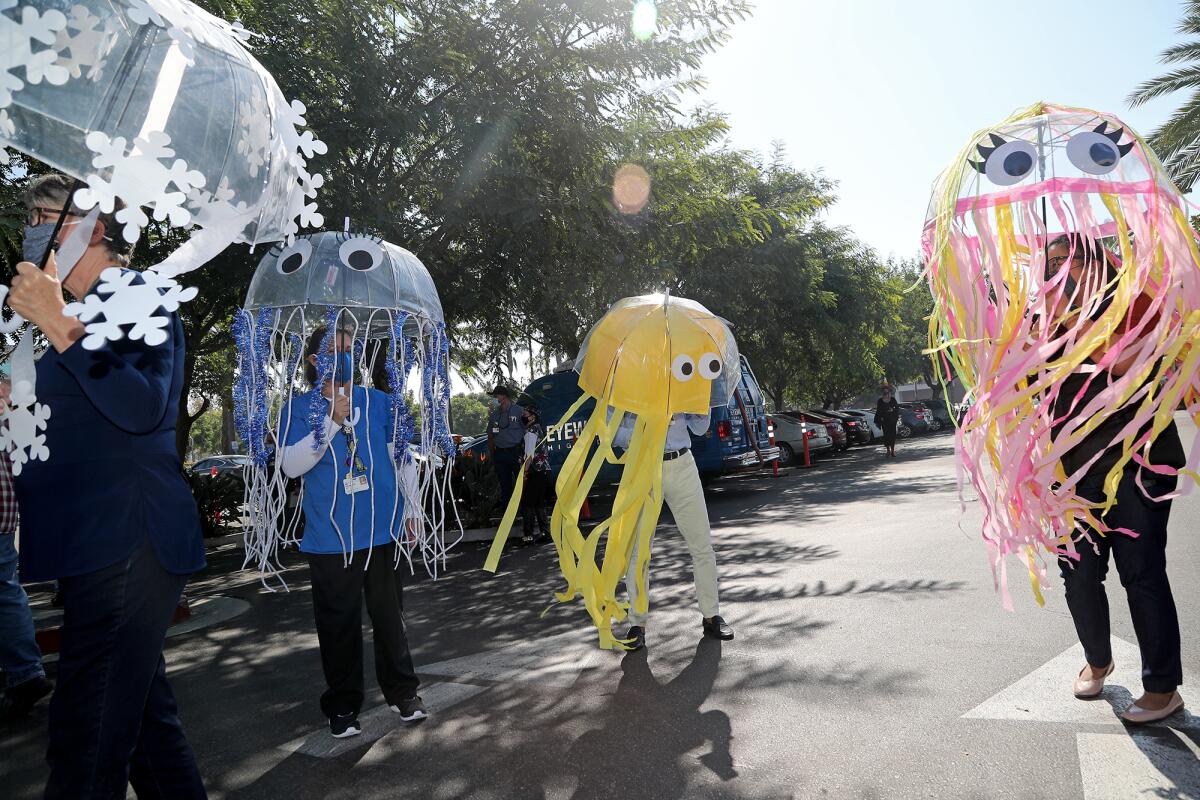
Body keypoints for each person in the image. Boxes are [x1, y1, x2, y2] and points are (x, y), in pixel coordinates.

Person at [7, 173, 207, 797]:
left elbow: (143, 404)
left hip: (128, 536)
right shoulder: (60, 319)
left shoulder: (136, 294)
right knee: (148, 734)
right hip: (86, 542)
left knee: (84, 740)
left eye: (44, 215)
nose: (30, 231)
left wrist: (58, 322)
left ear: (93, 228)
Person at [1044, 233, 1186, 724]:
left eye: (1071, 258)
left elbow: (1125, 365)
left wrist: (1076, 321)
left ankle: (1163, 688)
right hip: (1071, 470)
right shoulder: (1044, 320)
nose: (1062, 268)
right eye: (1053, 261)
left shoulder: (1132, 301)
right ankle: (1098, 659)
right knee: (1078, 574)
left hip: (1137, 461)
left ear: (1096, 259)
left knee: (1142, 572)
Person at [279, 326, 426, 739]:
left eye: (349, 349)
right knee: (338, 625)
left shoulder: (379, 402)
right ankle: (343, 706)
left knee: (389, 618)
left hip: (382, 531)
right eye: (333, 350)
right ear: (313, 361)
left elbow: (404, 459)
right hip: (331, 540)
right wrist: (329, 422)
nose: (344, 356)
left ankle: (403, 692)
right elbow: (291, 465)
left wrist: (412, 510)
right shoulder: (297, 408)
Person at [616, 412, 734, 651]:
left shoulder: (683, 375)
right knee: (637, 552)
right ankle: (637, 624)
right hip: (641, 466)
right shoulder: (623, 377)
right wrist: (649, 428)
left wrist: (696, 402)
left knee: (702, 545)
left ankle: (711, 616)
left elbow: (701, 428)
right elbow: (614, 433)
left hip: (681, 465)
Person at [0, 370, 52, 723]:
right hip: (5, 506)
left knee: (5, 590)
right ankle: (25, 672)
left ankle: (24, 673)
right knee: (6, 589)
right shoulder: (12, 398)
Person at [486, 385, 524, 508]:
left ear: (504, 395)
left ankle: (524, 510)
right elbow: (490, 435)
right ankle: (507, 512)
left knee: (521, 482)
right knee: (504, 484)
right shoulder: (494, 415)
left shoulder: (519, 411)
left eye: (496, 395)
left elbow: (528, 431)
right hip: (500, 453)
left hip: (516, 451)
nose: (495, 398)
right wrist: (493, 454)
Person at [519, 405, 551, 544]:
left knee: (527, 503)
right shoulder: (537, 428)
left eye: (525, 414)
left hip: (536, 471)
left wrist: (525, 472)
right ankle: (545, 532)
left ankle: (528, 535)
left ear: (532, 416)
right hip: (543, 470)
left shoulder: (531, 431)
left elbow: (529, 455)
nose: (523, 416)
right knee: (538, 503)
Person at [875, 386, 900, 457]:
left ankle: (892, 451)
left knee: (892, 435)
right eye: (885, 393)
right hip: (884, 421)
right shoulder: (880, 400)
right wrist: (881, 417)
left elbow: (897, 409)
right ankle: (888, 450)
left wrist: (893, 410)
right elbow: (878, 410)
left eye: (887, 392)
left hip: (892, 420)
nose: (886, 394)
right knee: (886, 436)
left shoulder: (893, 399)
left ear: (889, 392)